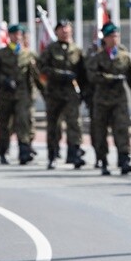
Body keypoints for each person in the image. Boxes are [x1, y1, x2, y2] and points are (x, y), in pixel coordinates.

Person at [86, 23, 131, 175]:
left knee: (122, 129)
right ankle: (103, 160)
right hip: (101, 100)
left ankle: (124, 160)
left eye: (116, 36)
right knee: (100, 131)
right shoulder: (98, 57)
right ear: (106, 38)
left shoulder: (124, 56)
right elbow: (92, 76)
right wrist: (110, 78)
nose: (114, 39)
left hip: (119, 100)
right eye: (111, 36)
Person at [38, 20, 88, 170]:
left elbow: (82, 72)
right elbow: (42, 68)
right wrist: (59, 74)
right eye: (62, 30)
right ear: (57, 32)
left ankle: (75, 154)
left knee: (74, 123)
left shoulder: (77, 50)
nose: (65, 32)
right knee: (54, 126)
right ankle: (52, 155)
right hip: (54, 93)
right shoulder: (50, 49)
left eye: (67, 30)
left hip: (71, 93)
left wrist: (84, 91)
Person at [0, 24, 43, 165]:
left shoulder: (29, 54)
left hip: (23, 94)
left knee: (23, 122)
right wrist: (4, 80)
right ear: (9, 36)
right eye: (14, 34)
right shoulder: (1, 54)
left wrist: (43, 91)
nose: (17, 37)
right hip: (6, 95)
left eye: (20, 34)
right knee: (5, 124)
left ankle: (24, 151)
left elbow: (37, 76)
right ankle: (4, 152)